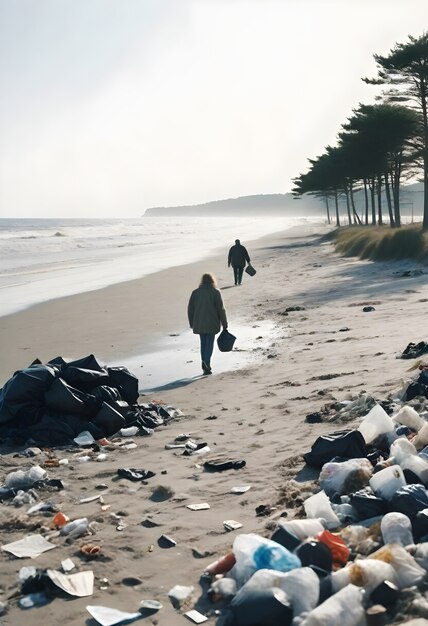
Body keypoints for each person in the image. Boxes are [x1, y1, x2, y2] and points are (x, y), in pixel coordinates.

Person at [187, 273, 228, 375]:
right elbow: (221, 309)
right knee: (209, 343)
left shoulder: (195, 293)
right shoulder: (215, 292)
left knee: (203, 343)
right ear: (212, 281)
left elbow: (190, 309)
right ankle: (206, 363)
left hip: (199, 323)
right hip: (212, 322)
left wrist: (192, 323)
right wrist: (224, 324)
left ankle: (204, 363)